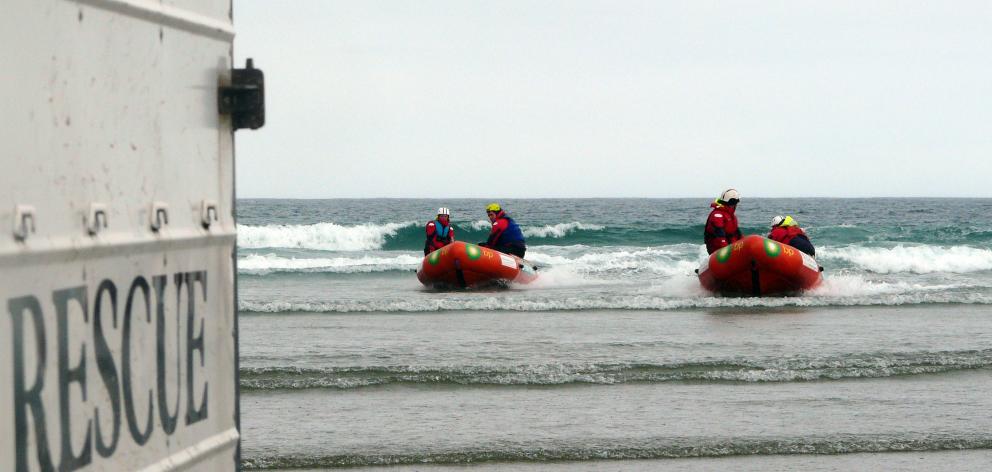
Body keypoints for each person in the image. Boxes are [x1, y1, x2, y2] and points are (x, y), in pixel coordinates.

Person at [704, 189, 743, 254]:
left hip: (731, 246)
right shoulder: (717, 215)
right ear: (733, 202)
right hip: (718, 250)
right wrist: (727, 250)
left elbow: (737, 233)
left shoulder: (731, 215)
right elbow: (719, 234)